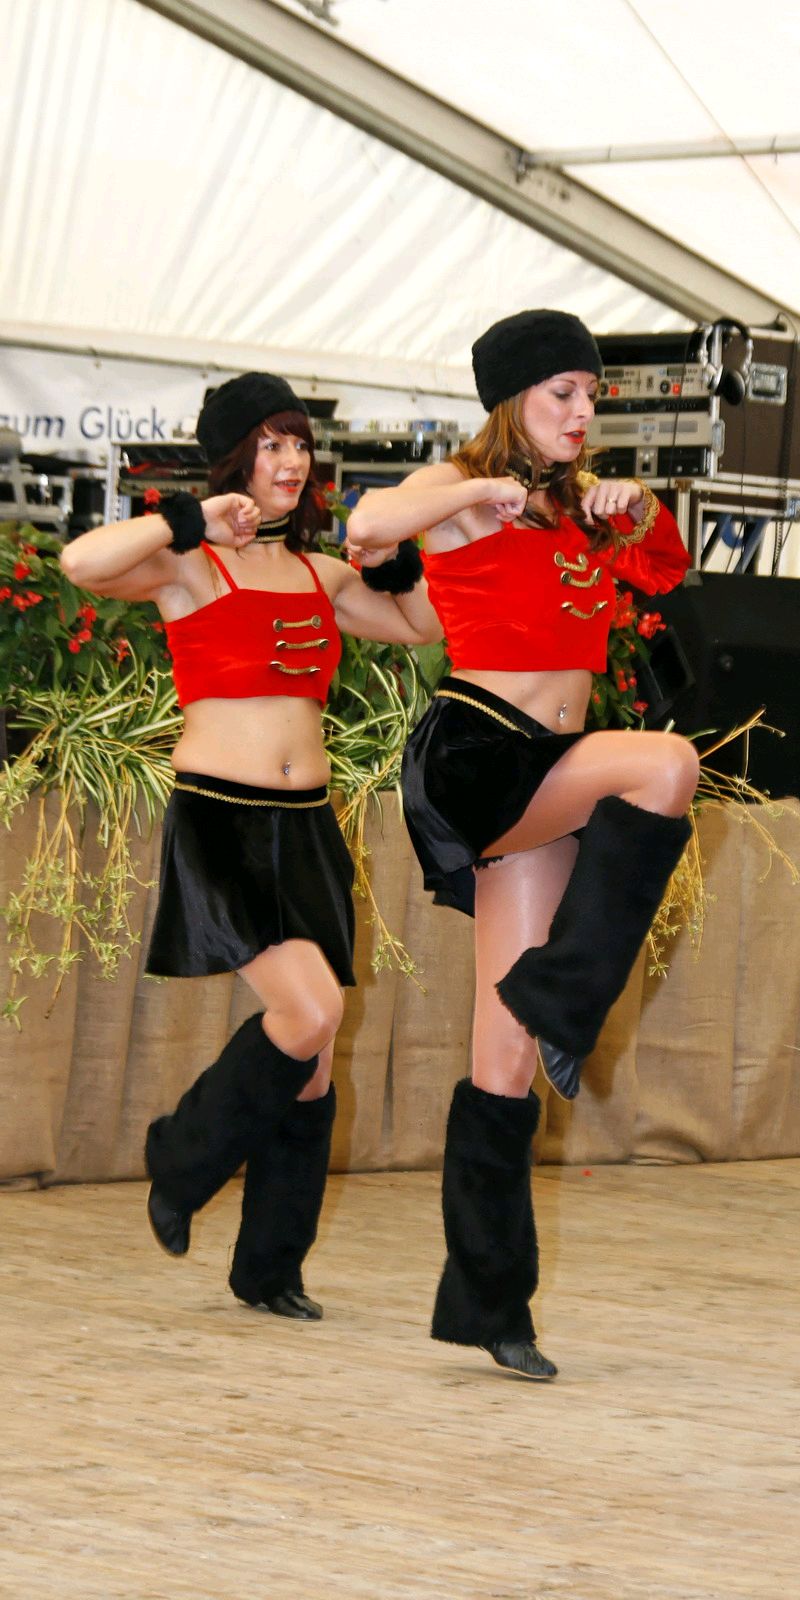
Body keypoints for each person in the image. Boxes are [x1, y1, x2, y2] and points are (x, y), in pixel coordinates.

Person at [346, 309, 698, 1379]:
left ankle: (490, 1307)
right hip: (481, 754)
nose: (583, 411)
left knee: (503, 1059)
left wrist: (639, 509)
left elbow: (665, 574)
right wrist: (476, 492)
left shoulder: (577, 507)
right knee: (666, 766)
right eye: (562, 394)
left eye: (591, 395)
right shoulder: (463, 493)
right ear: (513, 398)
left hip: (548, 768)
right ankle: (567, 997)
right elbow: (370, 523)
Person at [60, 371, 441, 1319]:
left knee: (313, 1054)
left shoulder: (320, 575)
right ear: (236, 458)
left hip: (306, 826)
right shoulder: (189, 567)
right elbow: (82, 562)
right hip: (221, 819)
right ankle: (181, 1156)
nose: (291, 460)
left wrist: (393, 556)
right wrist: (188, 519)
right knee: (307, 1013)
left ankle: (269, 1268)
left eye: (299, 442)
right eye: (271, 443)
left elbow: (422, 626)